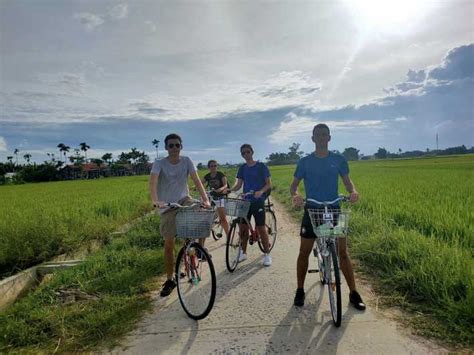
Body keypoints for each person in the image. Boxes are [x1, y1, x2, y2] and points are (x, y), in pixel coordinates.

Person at [290, 124, 366, 310]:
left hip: (334, 209)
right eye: (318, 135)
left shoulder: (338, 160)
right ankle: (300, 289)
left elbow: (347, 183)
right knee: (304, 252)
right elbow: (294, 186)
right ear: (313, 138)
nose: (322, 138)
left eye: (325, 135)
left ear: (329, 138)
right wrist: (296, 196)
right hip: (312, 210)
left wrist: (353, 192)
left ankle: (354, 293)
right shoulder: (305, 161)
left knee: (342, 252)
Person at [149, 133, 211, 297]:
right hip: (167, 206)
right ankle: (170, 279)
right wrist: (156, 201)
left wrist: (205, 200)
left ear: (181, 146)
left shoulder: (187, 160)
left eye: (177, 145)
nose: (174, 148)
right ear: (166, 148)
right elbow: (153, 181)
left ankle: (196, 248)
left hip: (184, 200)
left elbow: (197, 181)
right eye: (171, 145)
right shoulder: (159, 163)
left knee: (199, 211)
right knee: (169, 243)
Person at [228, 144, 273, 267]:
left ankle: (267, 254)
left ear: (252, 152)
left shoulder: (261, 166)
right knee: (243, 228)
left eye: (248, 152)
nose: (246, 154)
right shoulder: (242, 168)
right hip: (245, 200)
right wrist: (229, 190)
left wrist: (261, 191)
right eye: (243, 153)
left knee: (262, 228)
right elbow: (239, 185)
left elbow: (268, 184)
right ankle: (243, 252)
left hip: (258, 200)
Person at [202, 160, 230, 236]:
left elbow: (225, 185)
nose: (214, 167)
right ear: (209, 167)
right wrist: (195, 187)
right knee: (205, 216)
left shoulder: (220, 175)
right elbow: (200, 183)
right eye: (212, 166)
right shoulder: (207, 176)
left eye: (215, 166)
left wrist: (221, 189)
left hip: (220, 197)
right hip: (211, 196)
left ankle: (228, 236)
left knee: (223, 219)